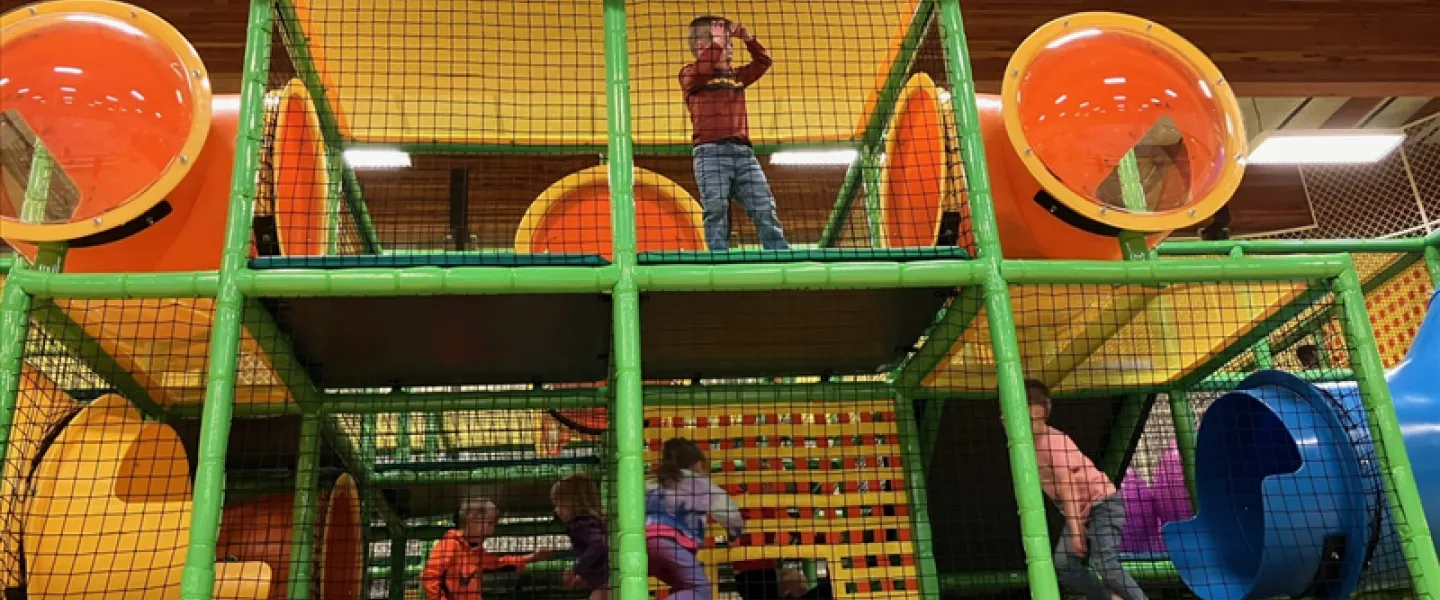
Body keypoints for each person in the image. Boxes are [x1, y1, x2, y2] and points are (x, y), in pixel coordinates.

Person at [1025, 379, 1149, 600]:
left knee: (1104, 563)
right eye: (1029, 421)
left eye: (1038, 420)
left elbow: (1068, 486)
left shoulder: (1053, 442)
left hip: (1102, 504)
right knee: (1064, 563)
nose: (1035, 426)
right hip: (1081, 511)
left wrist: (1076, 530)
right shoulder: (1023, 447)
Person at [680, 15, 791, 252]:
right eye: (723, 45)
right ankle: (718, 256)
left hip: (743, 155)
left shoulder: (737, 78)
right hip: (710, 155)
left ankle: (778, 251)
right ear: (702, 47)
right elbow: (701, 71)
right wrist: (717, 44)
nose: (730, 50)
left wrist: (749, 39)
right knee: (715, 207)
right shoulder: (690, 75)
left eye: (731, 45)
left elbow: (763, 61)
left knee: (763, 204)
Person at [645, 437, 744, 600]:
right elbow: (730, 513)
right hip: (671, 544)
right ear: (697, 464)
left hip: (643, 544)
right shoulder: (698, 483)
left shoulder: (652, 483)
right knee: (700, 590)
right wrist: (735, 532)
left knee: (683, 586)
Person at [421, 497, 553, 600]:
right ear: (472, 520)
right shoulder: (450, 545)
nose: (492, 530)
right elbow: (430, 577)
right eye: (489, 523)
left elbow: (500, 563)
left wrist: (533, 557)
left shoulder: (476, 552)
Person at [552, 473, 610, 600]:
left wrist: (576, 569)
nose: (556, 510)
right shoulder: (593, 521)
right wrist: (584, 576)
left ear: (571, 503)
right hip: (609, 577)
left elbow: (599, 544)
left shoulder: (580, 525)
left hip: (607, 579)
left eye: (559, 504)